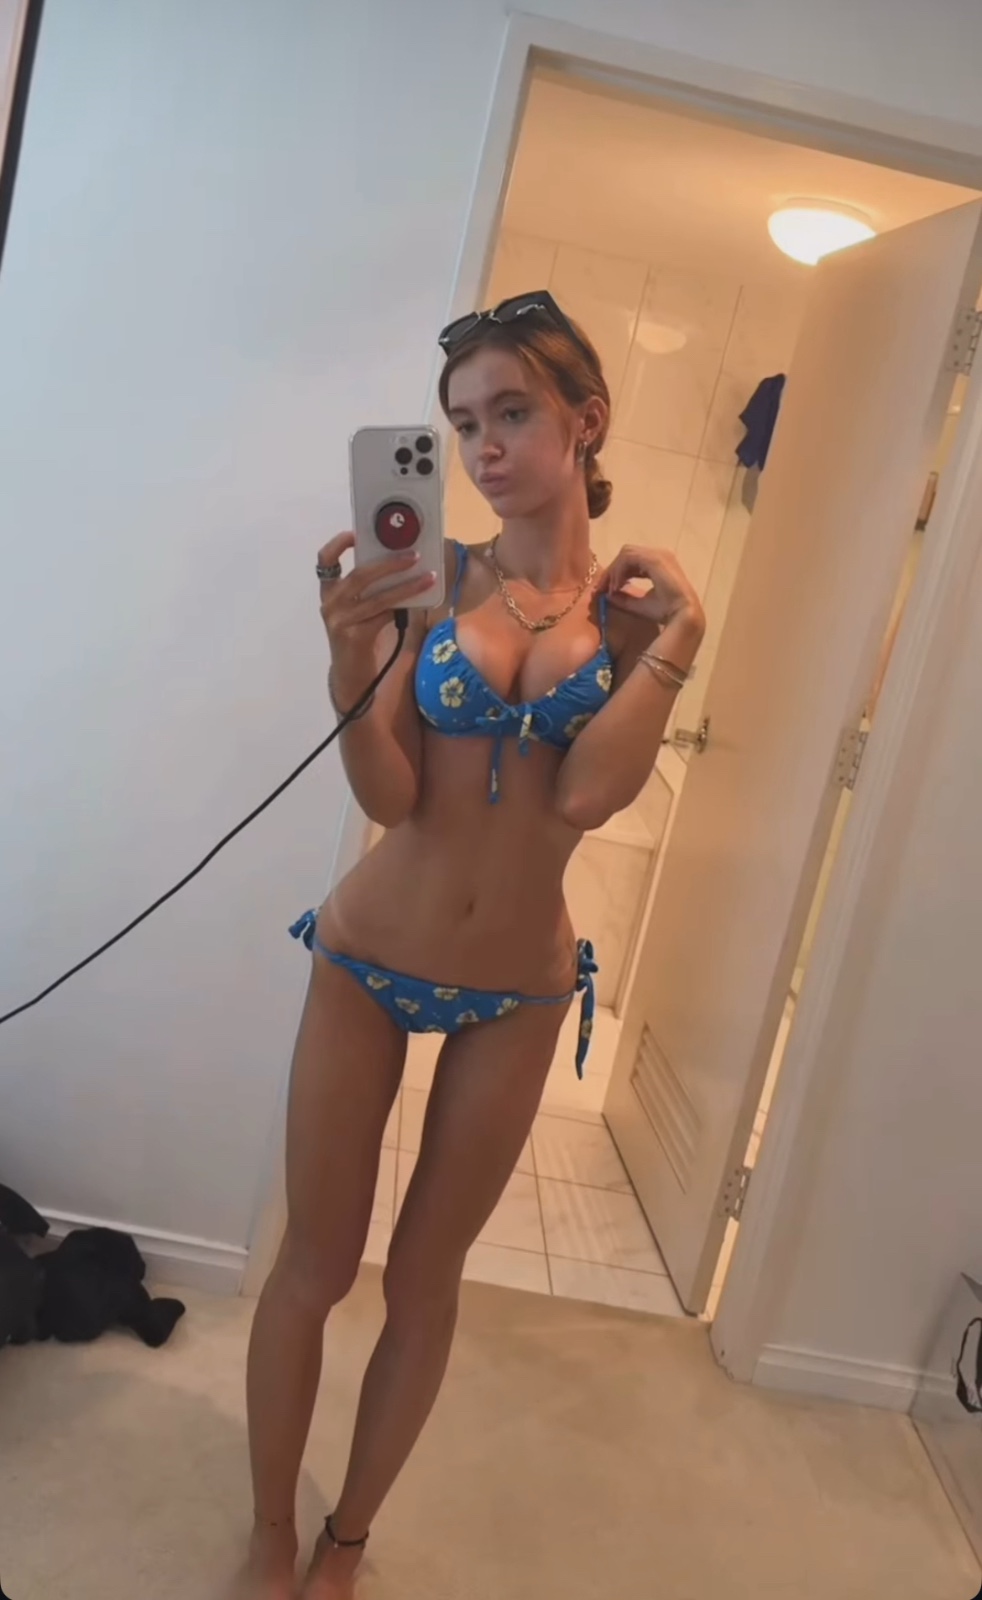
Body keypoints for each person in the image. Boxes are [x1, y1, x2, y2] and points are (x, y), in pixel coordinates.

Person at [238, 290, 705, 1599]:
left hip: (517, 989)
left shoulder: (633, 614)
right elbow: (390, 798)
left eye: (511, 413)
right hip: (366, 959)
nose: (483, 447)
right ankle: (270, 1534)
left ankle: (346, 1542)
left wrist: (682, 644)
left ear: (584, 421)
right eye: (460, 424)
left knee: (425, 1280)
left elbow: (587, 797)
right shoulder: (429, 579)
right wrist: (348, 671)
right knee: (315, 1264)